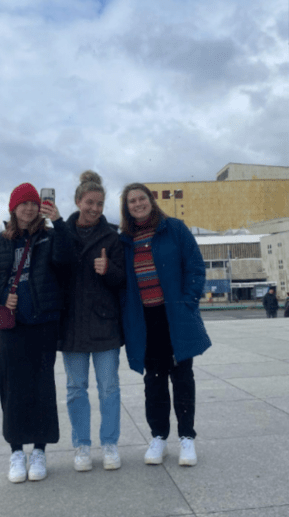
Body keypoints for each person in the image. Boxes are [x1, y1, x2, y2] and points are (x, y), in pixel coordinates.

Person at [0, 183, 69, 483]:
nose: (29, 208)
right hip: (11, 327)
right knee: (12, 389)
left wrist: (59, 221)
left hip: (42, 324)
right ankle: (16, 451)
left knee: (42, 387)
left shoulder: (50, 236)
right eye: (23, 204)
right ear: (13, 208)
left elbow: (68, 261)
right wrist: (1, 296)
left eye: (33, 203)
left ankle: (39, 451)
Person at [119, 183, 211, 468]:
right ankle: (159, 436)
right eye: (131, 201)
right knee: (154, 381)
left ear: (151, 201)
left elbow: (195, 266)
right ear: (126, 207)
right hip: (147, 321)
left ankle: (187, 437)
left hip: (175, 316)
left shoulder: (175, 229)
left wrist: (187, 302)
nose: (137, 204)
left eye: (141, 198)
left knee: (182, 377)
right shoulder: (125, 240)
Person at [59, 171, 125, 472]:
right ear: (77, 201)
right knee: (75, 388)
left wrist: (109, 269)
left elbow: (124, 280)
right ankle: (82, 446)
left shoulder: (113, 237)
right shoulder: (60, 233)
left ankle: (109, 443)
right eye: (89, 202)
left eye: (100, 203)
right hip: (71, 324)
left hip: (104, 325)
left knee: (109, 387)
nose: (95, 208)